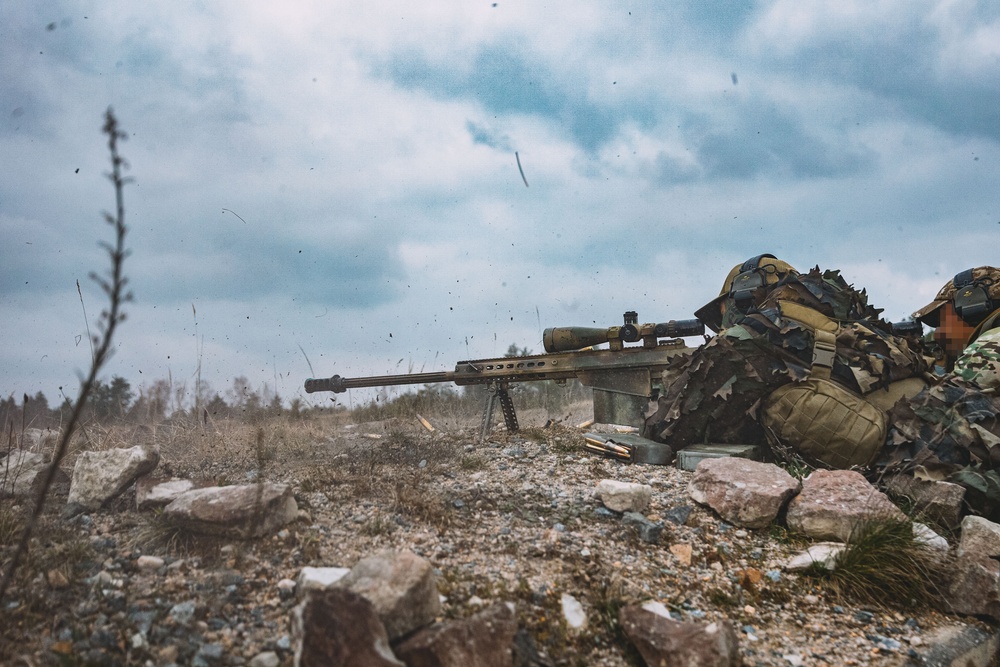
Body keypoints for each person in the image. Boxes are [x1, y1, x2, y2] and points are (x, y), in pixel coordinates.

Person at [644, 254, 929, 468]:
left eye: (722, 313)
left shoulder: (757, 331)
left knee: (781, 404)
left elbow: (664, 428)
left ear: (742, 300)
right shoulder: (855, 328)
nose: (721, 327)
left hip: (904, 471)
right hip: (938, 451)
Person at [878, 268, 1000, 516]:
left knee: (936, 405)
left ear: (972, 305)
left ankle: (894, 493)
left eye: (943, 321)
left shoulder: (990, 345)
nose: (940, 333)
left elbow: (949, 401)